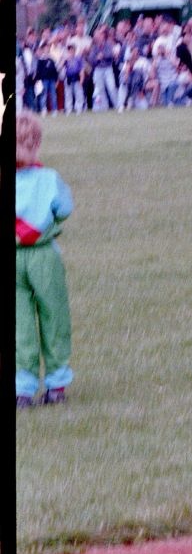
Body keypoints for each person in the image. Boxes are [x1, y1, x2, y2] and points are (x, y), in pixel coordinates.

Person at [15, 113, 75, 407]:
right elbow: (64, 208)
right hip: (43, 256)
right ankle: (56, 384)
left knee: (19, 324)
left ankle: (22, 388)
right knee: (54, 316)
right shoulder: (48, 179)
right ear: (35, 144)